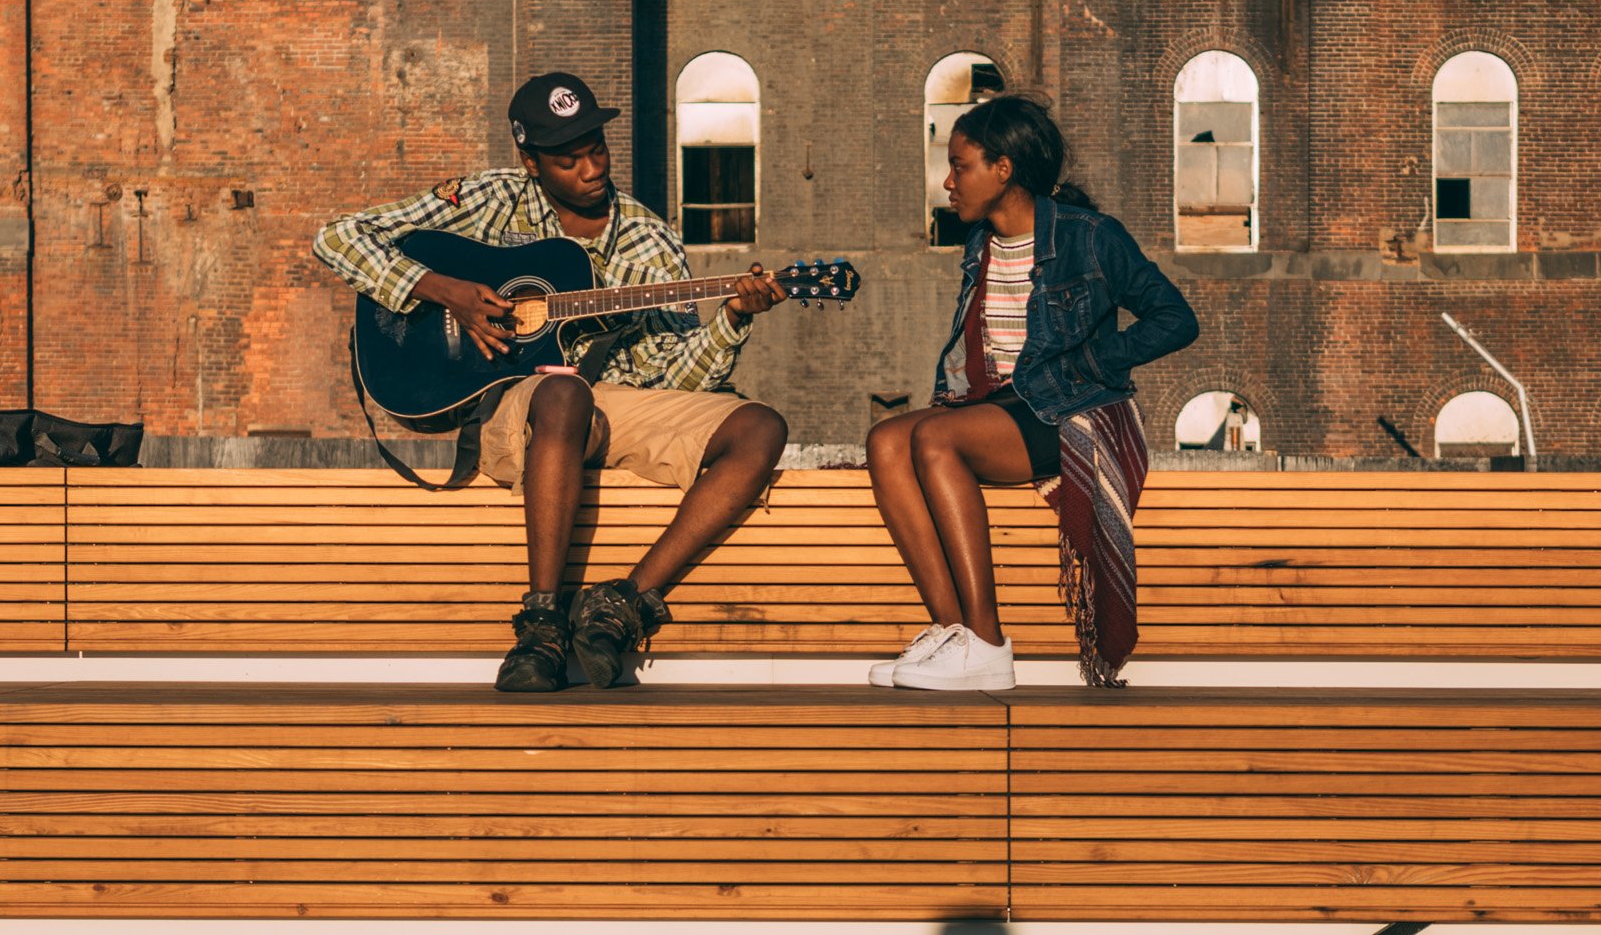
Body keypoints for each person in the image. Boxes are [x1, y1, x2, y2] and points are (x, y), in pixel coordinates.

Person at [313, 72, 788, 692]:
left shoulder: (649, 240)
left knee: (759, 426)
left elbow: (679, 376)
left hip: (617, 406)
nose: (592, 169)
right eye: (569, 160)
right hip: (517, 404)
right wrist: (444, 290)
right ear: (531, 163)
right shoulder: (490, 198)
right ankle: (540, 626)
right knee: (565, 392)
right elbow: (338, 237)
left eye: (598, 150)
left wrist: (731, 318)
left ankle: (624, 603)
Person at [865, 94, 1198, 690]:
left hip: (1075, 410)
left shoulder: (1091, 236)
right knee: (887, 440)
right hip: (1006, 406)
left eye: (960, 165)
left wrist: (1091, 361)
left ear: (1003, 169)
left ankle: (989, 643)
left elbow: (1175, 320)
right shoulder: (981, 246)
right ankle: (954, 633)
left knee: (936, 439)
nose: (948, 181)